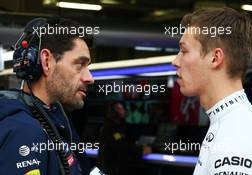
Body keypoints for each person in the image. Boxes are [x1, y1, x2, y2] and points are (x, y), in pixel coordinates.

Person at [172, 7, 252, 175]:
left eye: (184, 51)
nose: (175, 61)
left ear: (215, 58)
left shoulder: (237, 136)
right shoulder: (230, 123)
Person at [0, 17, 94, 175]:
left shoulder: (56, 119)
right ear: (46, 61)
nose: (89, 77)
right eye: (80, 65)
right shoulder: (24, 131)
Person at [98, 101, 152, 175]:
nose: (123, 111)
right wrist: (140, 149)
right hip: (110, 168)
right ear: (113, 111)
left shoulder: (117, 126)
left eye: (122, 108)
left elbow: (120, 141)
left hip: (112, 166)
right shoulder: (110, 127)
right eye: (119, 109)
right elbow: (119, 144)